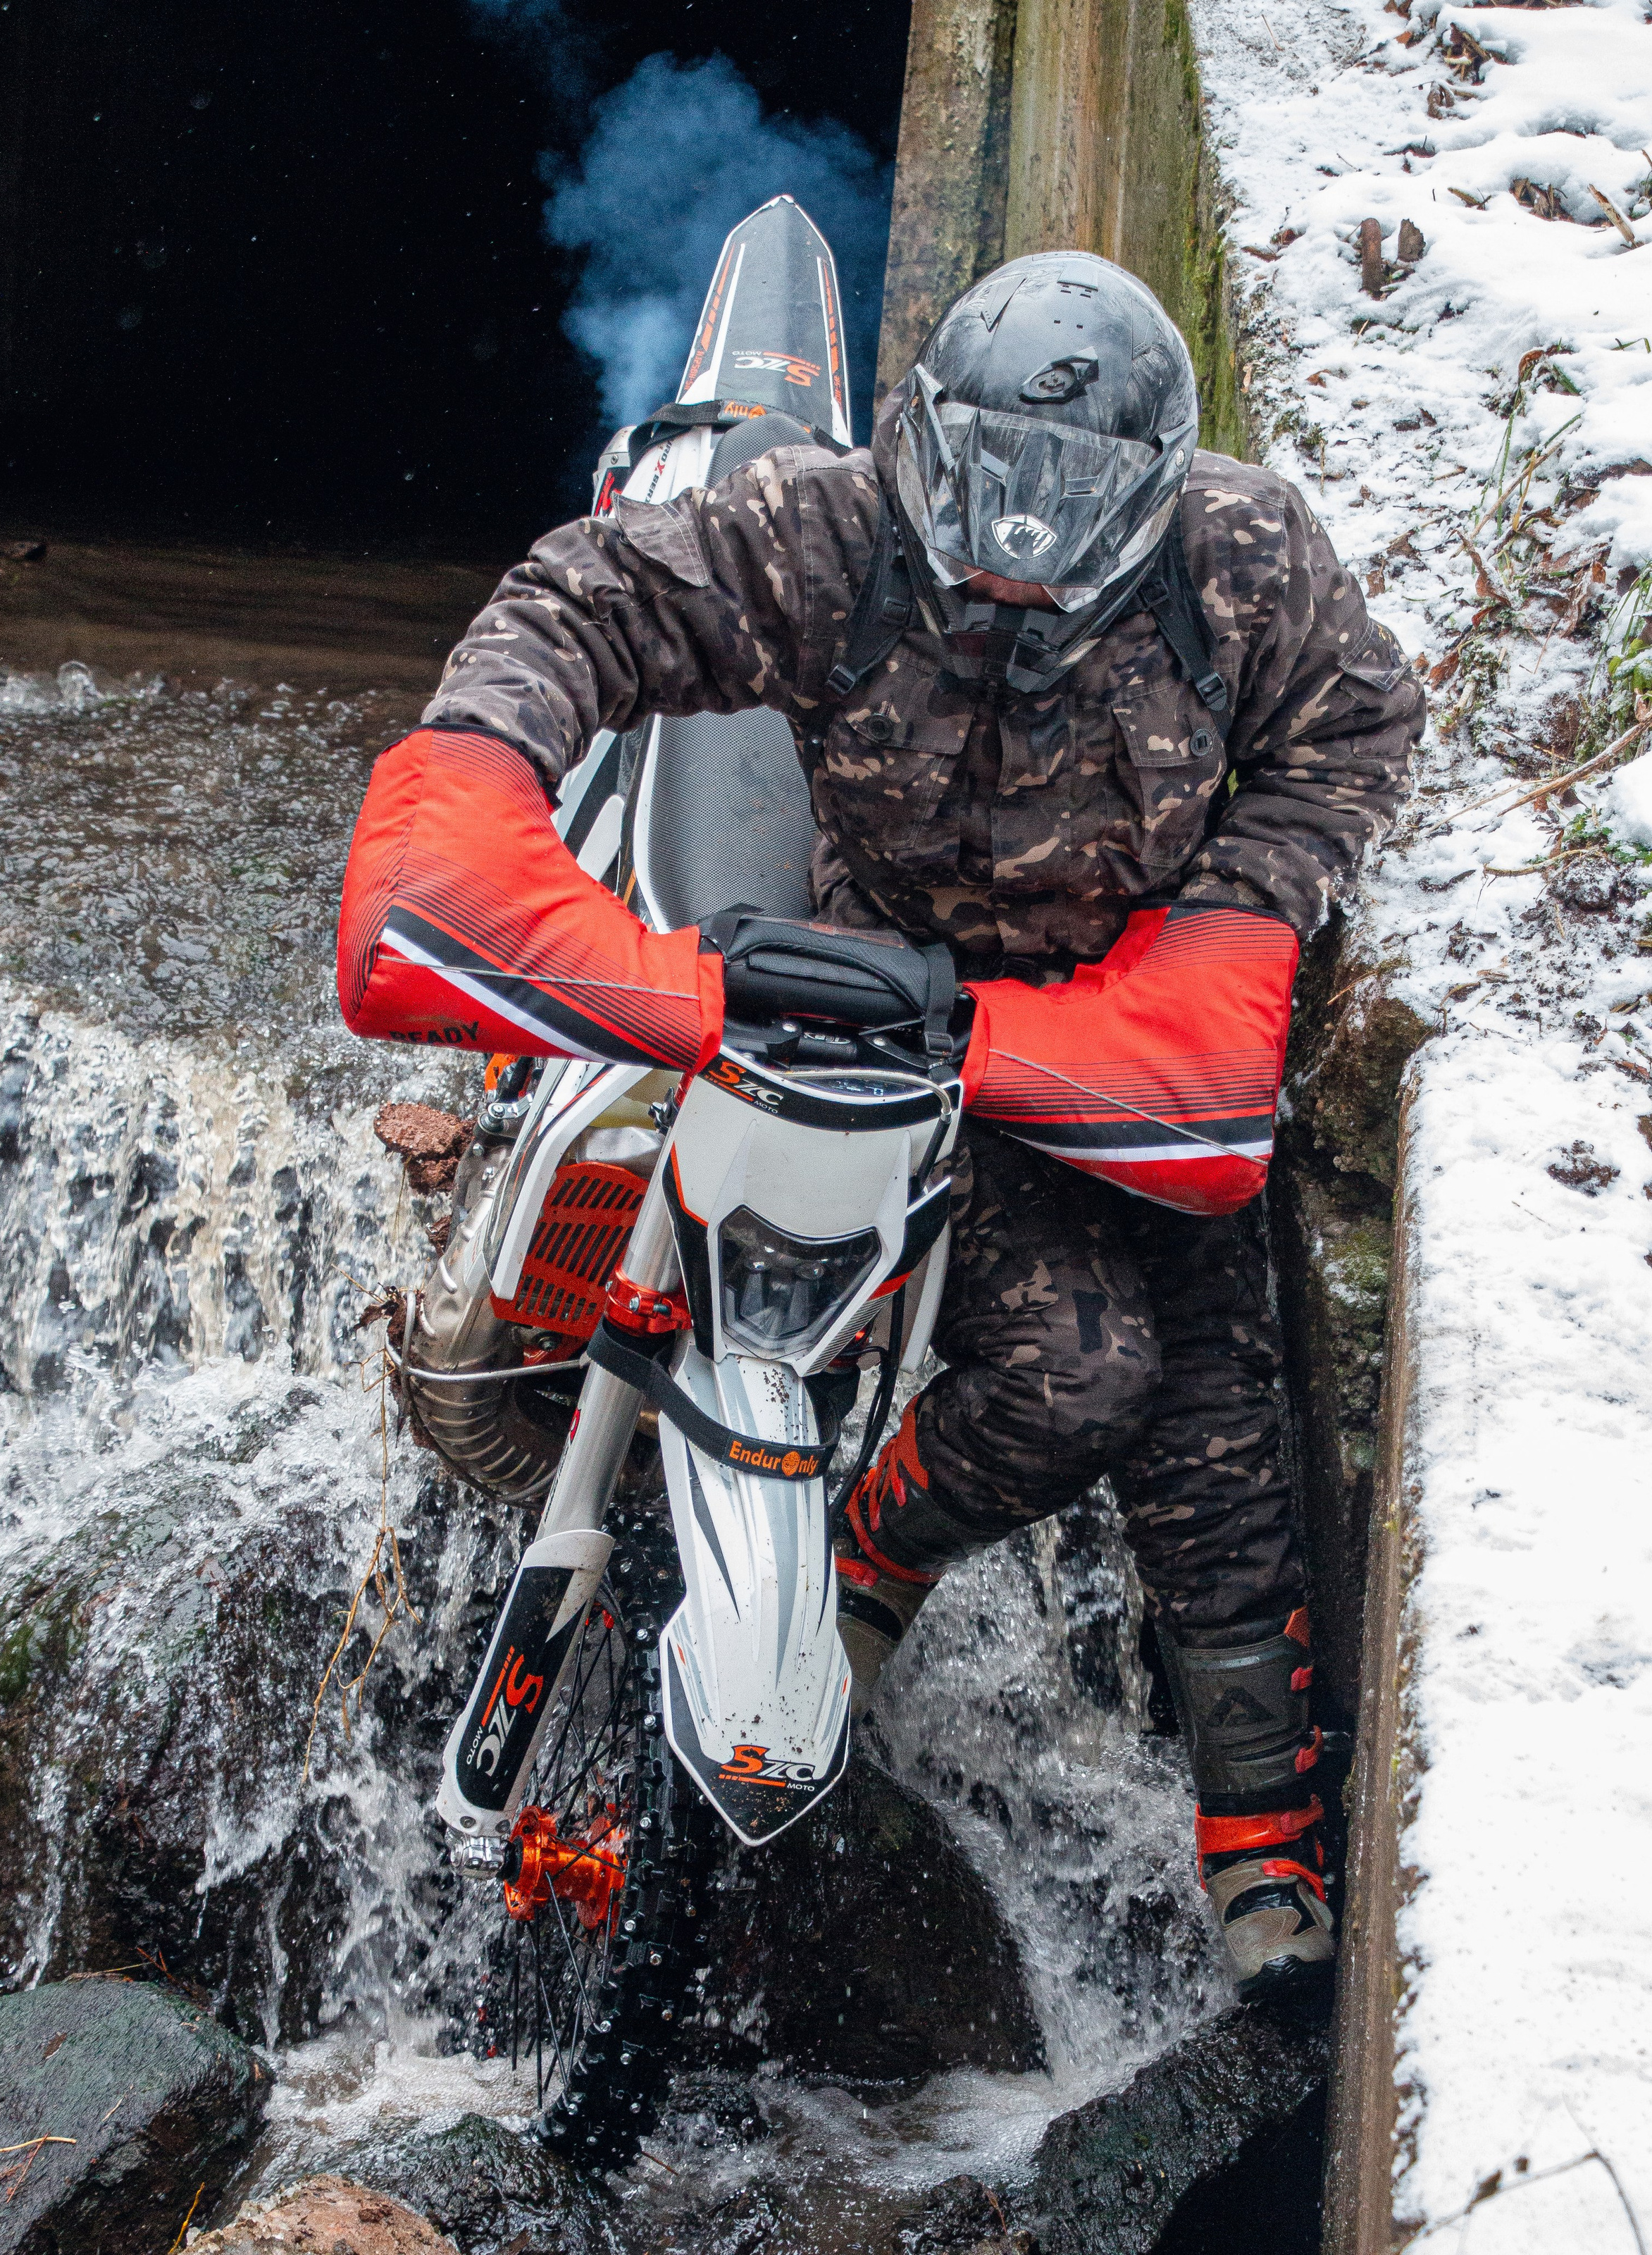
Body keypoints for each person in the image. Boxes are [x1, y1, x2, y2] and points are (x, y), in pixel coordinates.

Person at [336, 251, 1423, 2008]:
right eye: (980, 479)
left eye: (1063, 500)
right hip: (884, 1018)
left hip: (1124, 1017)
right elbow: (581, 603)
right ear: (921, 439)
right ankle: (847, 1544)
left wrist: (1238, 912)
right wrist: (480, 759)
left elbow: (1355, 726)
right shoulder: (825, 536)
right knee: (1074, 1371)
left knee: (1215, 1383)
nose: (1011, 535)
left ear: (1150, 497)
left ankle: (1254, 1821)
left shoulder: (1243, 562)